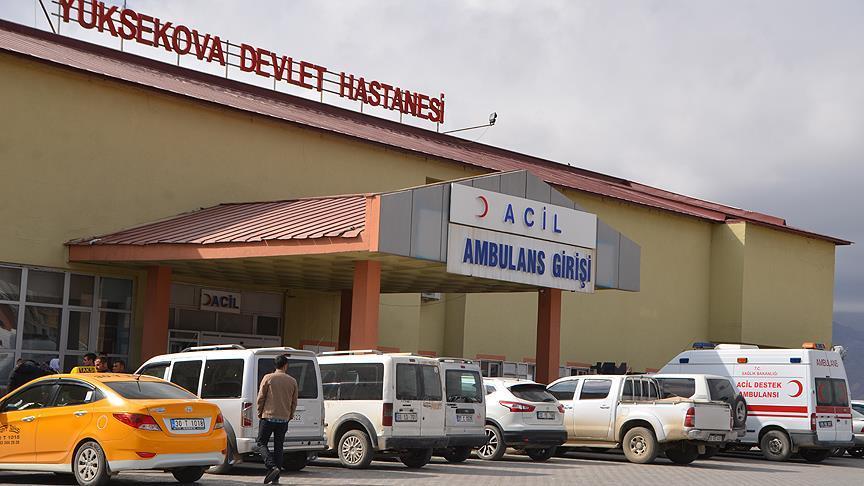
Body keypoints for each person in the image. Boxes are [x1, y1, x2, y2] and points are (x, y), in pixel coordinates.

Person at [256, 354, 298, 485]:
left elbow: (261, 398)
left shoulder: (268, 378)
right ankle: (276, 478)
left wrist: (259, 412)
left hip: (268, 417)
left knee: (261, 443)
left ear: (275, 365)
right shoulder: (292, 381)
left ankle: (271, 466)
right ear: (286, 365)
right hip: (283, 419)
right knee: (279, 447)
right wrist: (290, 415)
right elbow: (294, 402)